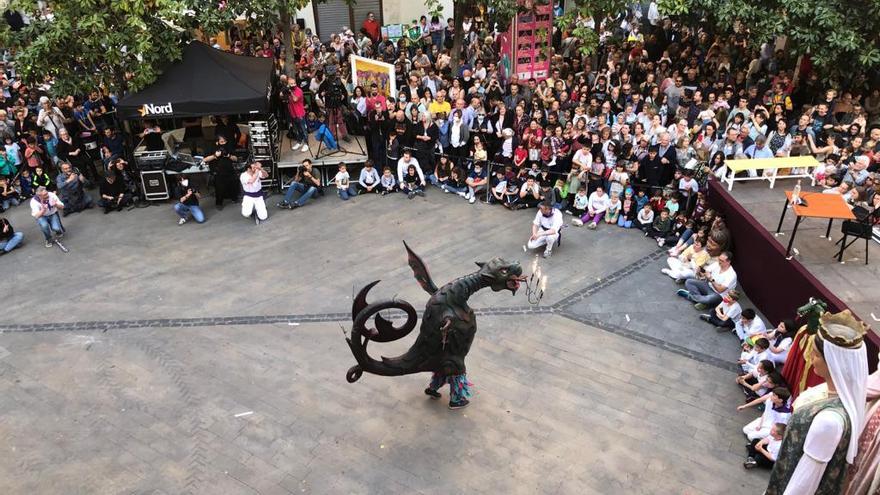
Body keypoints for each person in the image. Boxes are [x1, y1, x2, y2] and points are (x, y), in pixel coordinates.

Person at [766, 314, 869, 495]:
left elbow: (806, 480)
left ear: (834, 363)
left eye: (815, 354)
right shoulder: (830, 392)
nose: (810, 358)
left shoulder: (829, 420)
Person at [203, 135, 239, 210]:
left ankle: (234, 198)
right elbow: (205, 159)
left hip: (229, 170)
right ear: (217, 142)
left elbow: (236, 159)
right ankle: (219, 203)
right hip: (218, 171)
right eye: (221, 142)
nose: (223, 143)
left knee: (233, 184)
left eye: (225, 142)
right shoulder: (211, 147)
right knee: (219, 188)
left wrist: (229, 155)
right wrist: (215, 155)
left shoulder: (228, 147)